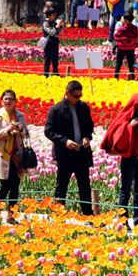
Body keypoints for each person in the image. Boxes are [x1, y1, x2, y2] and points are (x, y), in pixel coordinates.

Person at [44, 80, 94, 216]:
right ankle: (58, 215)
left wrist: (87, 137)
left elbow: (89, 127)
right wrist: (65, 141)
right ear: (67, 93)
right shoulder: (56, 109)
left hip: (81, 152)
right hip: (65, 154)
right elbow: (48, 131)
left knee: (85, 186)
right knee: (62, 186)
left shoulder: (83, 107)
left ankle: (88, 215)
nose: (78, 99)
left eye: (80, 96)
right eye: (75, 96)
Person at [101, 93, 138, 224]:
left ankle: (137, 218)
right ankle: (123, 219)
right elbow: (117, 130)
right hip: (128, 157)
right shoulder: (126, 116)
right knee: (125, 189)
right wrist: (129, 126)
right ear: (136, 104)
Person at [0, 89, 29, 222]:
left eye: (11, 99)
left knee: (15, 185)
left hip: (17, 156)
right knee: (6, 185)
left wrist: (20, 129)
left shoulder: (20, 116)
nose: (8, 101)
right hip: (3, 155)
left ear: (15, 101)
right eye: (6, 99)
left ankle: (11, 214)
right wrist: (7, 130)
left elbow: (26, 134)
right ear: (2, 101)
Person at [113, 12, 138, 80]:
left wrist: (124, 40)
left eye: (124, 19)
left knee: (118, 63)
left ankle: (116, 78)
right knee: (131, 64)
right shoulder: (135, 28)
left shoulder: (121, 28)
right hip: (131, 48)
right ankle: (132, 78)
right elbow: (136, 37)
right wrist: (130, 41)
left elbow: (116, 37)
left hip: (121, 48)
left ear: (126, 20)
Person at [42, 8, 63, 77]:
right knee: (47, 59)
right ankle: (46, 74)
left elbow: (59, 33)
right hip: (48, 43)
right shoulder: (45, 23)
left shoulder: (54, 22)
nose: (55, 16)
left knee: (55, 59)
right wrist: (57, 27)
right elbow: (51, 32)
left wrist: (60, 26)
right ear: (49, 15)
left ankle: (55, 73)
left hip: (55, 42)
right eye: (53, 15)